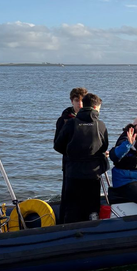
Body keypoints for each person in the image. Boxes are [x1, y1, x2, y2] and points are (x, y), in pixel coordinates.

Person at [53, 93, 109, 223]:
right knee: (92, 207)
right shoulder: (100, 125)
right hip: (93, 173)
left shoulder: (71, 123)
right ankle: (93, 229)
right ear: (95, 107)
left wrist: (72, 154)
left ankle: (70, 232)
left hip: (73, 172)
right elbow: (104, 146)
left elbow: (58, 146)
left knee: (72, 206)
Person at [54, 87, 87, 221]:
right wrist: (73, 152)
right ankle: (64, 222)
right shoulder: (64, 120)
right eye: (77, 101)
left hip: (87, 165)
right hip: (70, 164)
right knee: (68, 196)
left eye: (82, 101)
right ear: (71, 101)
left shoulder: (89, 119)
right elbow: (57, 144)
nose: (80, 104)